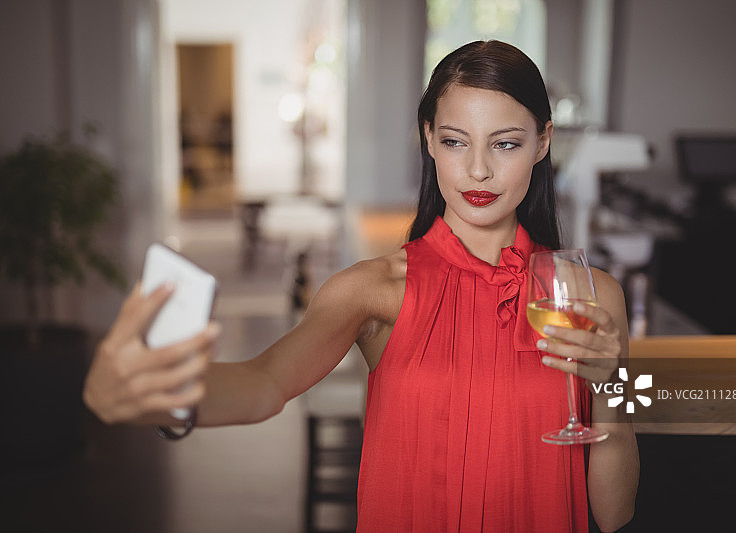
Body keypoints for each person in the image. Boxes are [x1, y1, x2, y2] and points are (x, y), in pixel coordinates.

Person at [84, 40, 639, 532]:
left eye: (506, 144)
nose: (476, 171)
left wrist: (612, 392)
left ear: (543, 143)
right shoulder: (372, 289)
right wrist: (162, 397)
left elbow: (615, 515)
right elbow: (264, 383)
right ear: (428, 140)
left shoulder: (593, 298)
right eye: (454, 141)